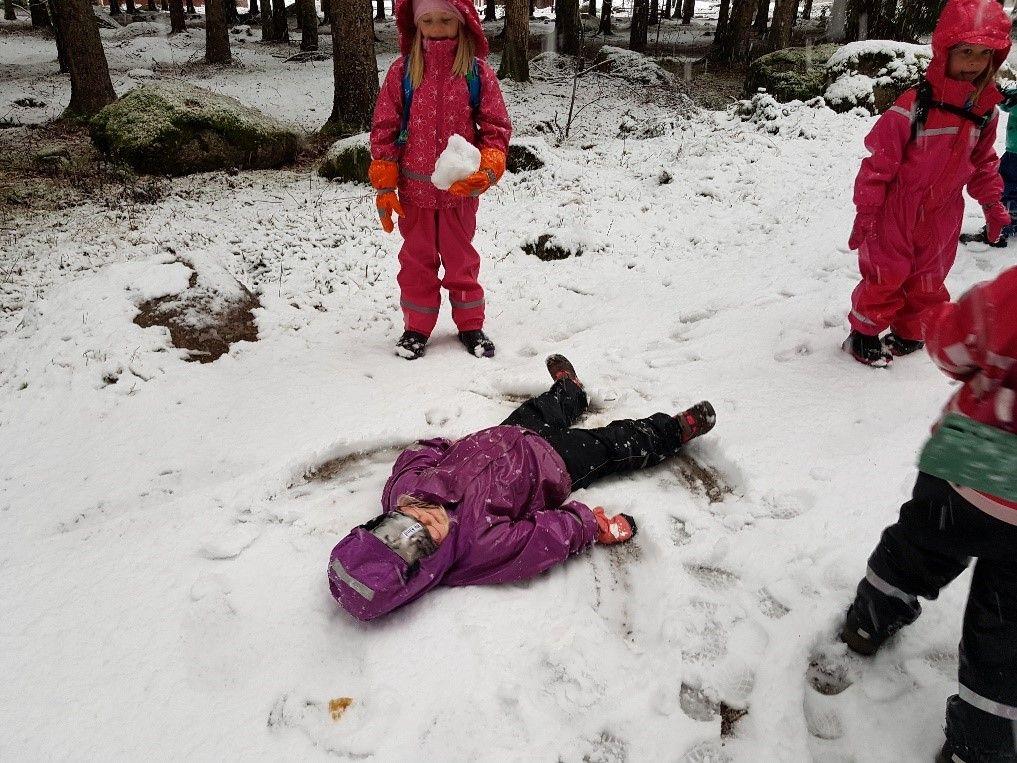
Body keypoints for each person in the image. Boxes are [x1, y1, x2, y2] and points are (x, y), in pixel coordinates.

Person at [327, 355, 716, 621]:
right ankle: (670, 432)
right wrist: (586, 524)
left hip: (507, 435)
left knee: (543, 409)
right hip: (551, 465)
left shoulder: (405, 493)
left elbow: (412, 460)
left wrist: (444, 447)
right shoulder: (477, 547)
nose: (422, 515)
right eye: (421, 538)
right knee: (613, 444)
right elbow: (542, 539)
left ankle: (571, 392)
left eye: (397, 523)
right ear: (425, 570)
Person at [841, 266, 1017, 762]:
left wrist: (938, 323)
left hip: (968, 472)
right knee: (1007, 633)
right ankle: (979, 747)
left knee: (919, 547)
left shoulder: (1013, 293)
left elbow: (954, 344)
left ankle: (869, 620)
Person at [843, 0, 1011, 368]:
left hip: (944, 211)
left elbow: (983, 162)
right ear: (944, 50)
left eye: (984, 54)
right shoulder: (914, 105)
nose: (973, 62)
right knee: (886, 274)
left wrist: (992, 204)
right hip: (897, 208)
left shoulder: (985, 112)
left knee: (929, 278)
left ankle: (910, 330)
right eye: (965, 51)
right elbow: (878, 163)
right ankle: (865, 331)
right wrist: (867, 210)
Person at [368, 0, 511, 360]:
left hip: (459, 194)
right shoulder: (402, 72)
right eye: (427, 20)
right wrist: (385, 180)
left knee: (461, 260)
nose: (436, 27)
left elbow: (495, 129)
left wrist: (489, 166)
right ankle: (416, 327)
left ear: (463, 23)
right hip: (413, 192)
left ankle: (470, 325)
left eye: (445, 19)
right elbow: (384, 128)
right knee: (416, 262)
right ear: (416, 25)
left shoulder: (477, 73)